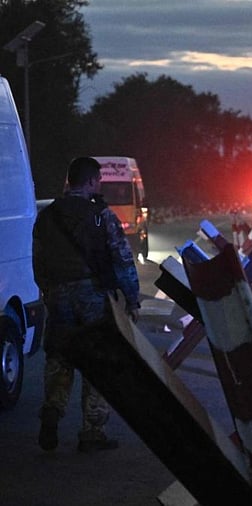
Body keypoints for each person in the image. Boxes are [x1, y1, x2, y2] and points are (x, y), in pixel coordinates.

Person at [32, 157, 141, 453]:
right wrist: (131, 298)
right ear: (93, 181)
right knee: (97, 358)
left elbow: (39, 262)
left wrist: (49, 290)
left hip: (57, 294)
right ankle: (92, 430)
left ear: (69, 181)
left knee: (59, 355)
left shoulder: (47, 216)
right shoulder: (101, 215)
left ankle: (53, 410)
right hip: (92, 295)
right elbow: (122, 259)